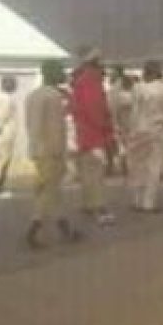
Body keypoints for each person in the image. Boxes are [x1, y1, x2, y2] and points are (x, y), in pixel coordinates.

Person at [24, 60, 83, 250]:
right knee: (49, 191)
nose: (62, 75)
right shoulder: (53, 97)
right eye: (59, 72)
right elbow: (56, 127)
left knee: (53, 191)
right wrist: (60, 152)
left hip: (37, 148)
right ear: (51, 74)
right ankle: (34, 229)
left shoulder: (32, 96)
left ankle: (64, 229)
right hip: (52, 149)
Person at [70, 48, 116, 225]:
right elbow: (96, 110)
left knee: (87, 172)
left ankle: (88, 203)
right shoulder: (91, 83)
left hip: (83, 134)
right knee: (96, 172)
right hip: (94, 134)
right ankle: (99, 208)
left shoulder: (80, 82)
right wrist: (106, 131)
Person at [129, 60, 163, 213]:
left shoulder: (137, 88)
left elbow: (134, 111)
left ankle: (136, 199)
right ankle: (149, 202)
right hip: (157, 129)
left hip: (138, 129)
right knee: (154, 166)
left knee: (138, 165)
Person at [107, 68, 135, 178]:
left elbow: (113, 109)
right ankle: (126, 166)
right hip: (126, 123)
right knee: (125, 146)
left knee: (124, 146)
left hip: (125, 123)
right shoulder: (124, 93)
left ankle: (125, 166)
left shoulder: (115, 92)